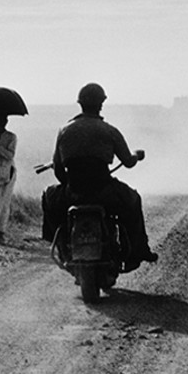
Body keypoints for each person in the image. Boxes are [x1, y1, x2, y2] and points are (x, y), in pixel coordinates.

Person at [41, 83, 158, 272]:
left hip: (74, 191)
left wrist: (71, 184)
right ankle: (137, 251)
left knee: (49, 196)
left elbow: (59, 171)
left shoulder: (64, 130)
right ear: (101, 104)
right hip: (104, 192)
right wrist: (136, 155)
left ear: (80, 104)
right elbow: (128, 162)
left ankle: (61, 246)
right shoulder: (109, 130)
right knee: (133, 200)